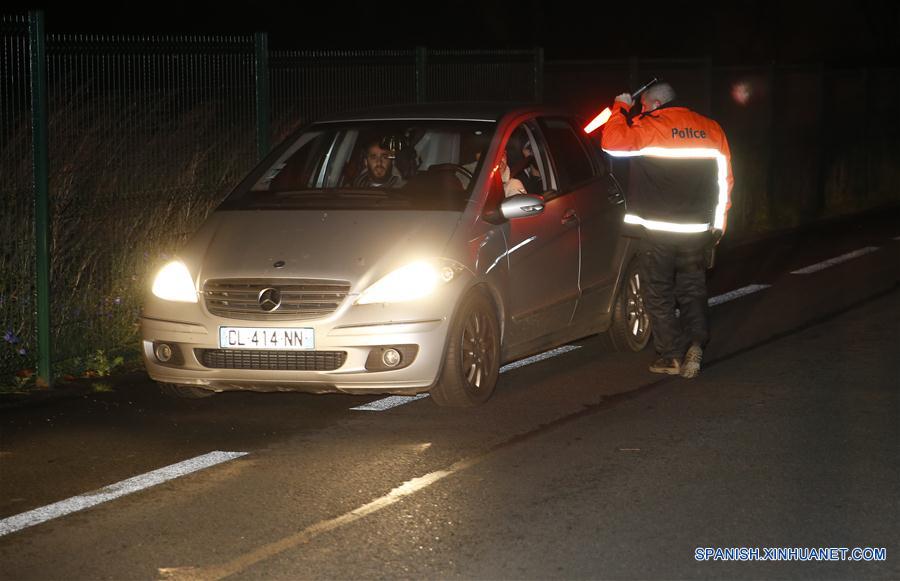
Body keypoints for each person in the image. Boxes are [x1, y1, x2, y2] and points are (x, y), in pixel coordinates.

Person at [600, 82, 733, 379]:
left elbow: (612, 142)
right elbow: (725, 182)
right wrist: (718, 227)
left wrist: (621, 108)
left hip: (658, 231)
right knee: (692, 288)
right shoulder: (711, 129)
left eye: (645, 107)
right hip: (696, 231)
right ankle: (696, 343)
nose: (643, 112)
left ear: (656, 105)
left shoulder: (652, 128)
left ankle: (670, 355)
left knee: (658, 292)